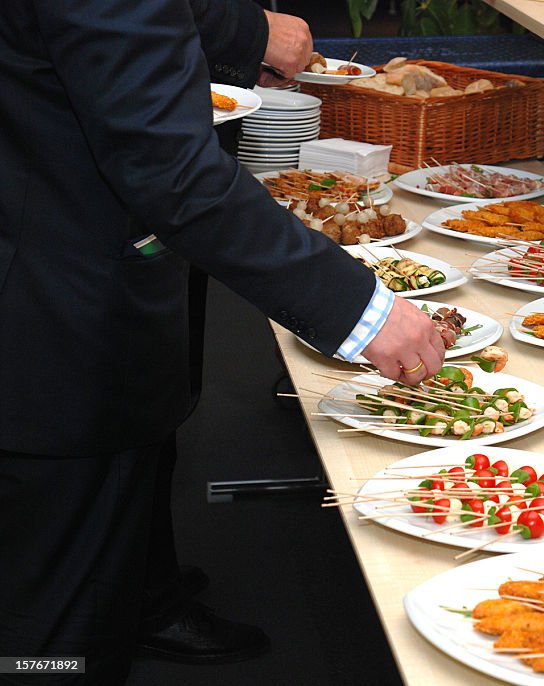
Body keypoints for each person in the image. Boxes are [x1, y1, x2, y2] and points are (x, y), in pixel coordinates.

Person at [0, 2, 443, 685]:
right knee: (57, 638)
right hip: (58, 317)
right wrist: (362, 310)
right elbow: (172, 171)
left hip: (45, 276)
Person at [132, 3, 318, 666]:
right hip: (122, 201)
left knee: (164, 386)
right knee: (136, 396)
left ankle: (141, 579)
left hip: (169, 164)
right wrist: (249, 29)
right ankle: (134, 602)